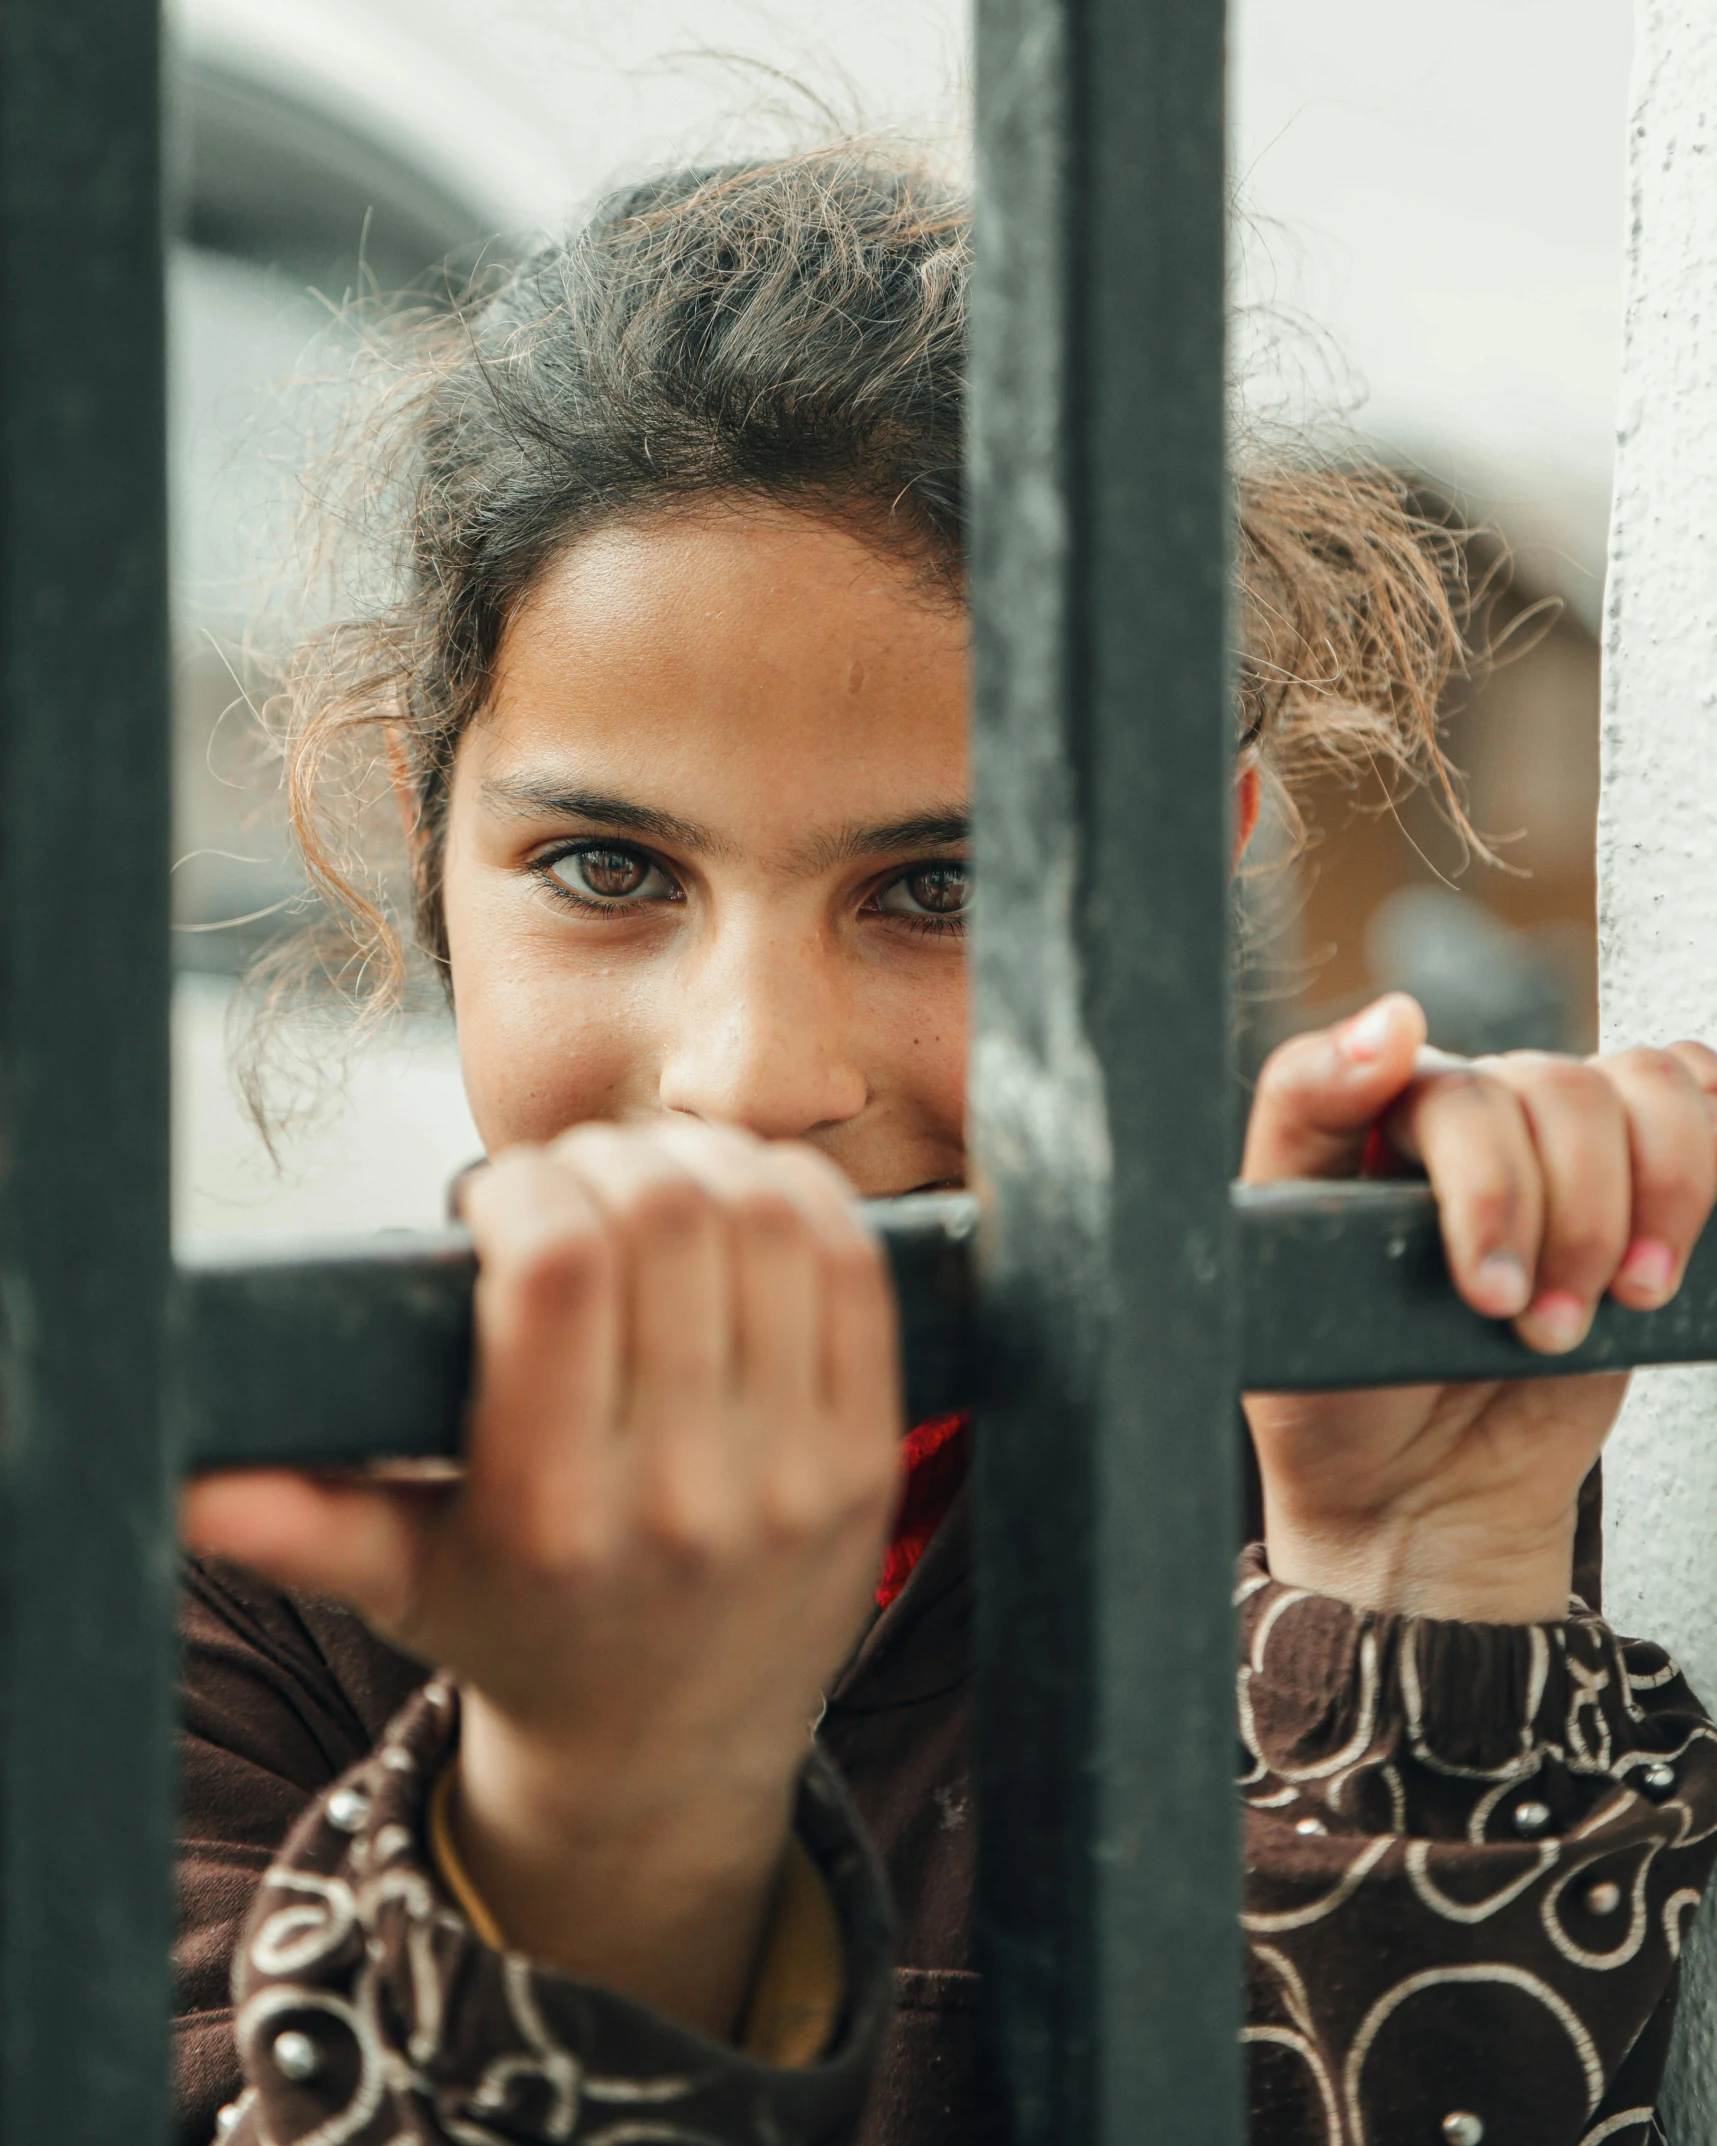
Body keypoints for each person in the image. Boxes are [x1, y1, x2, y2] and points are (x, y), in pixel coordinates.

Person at [175, 150, 1717, 2146]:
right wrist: (595, 1828)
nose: (750, 1076)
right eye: (608, 865)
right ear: (427, 838)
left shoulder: (1399, 1471)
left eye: (943, 883)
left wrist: (1413, 1590)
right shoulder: (208, 1570)